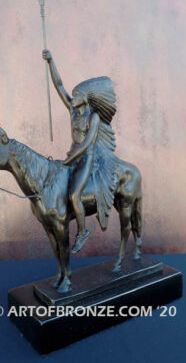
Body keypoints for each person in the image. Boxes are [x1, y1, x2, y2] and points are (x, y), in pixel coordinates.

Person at [42, 49, 118, 253]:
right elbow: (59, 86)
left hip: (86, 160)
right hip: (73, 157)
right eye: (73, 96)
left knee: (75, 195)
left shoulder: (93, 118)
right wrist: (51, 62)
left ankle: (82, 231)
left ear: (85, 99)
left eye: (76, 96)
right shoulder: (73, 110)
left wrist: (69, 160)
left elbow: (86, 145)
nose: (72, 98)